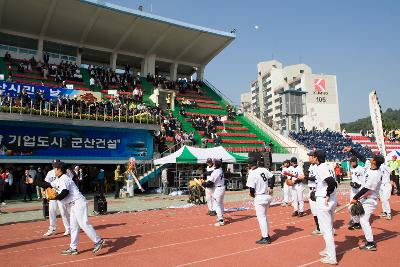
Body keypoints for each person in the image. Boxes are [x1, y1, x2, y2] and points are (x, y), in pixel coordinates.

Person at [36, 161, 105, 255]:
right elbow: (47, 185)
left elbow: (65, 192)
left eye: (55, 168)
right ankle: (73, 248)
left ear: (59, 170)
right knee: (73, 227)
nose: (54, 169)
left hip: (78, 203)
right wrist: (33, 182)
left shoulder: (64, 178)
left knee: (83, 224)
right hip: (73, 205)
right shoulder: (58, 179)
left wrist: (55, 197)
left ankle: (98, 241)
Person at [343, 146, 384, 251]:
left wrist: (355, 198)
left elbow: (366, 188)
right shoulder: (371, 165)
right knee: (351, 209)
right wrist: (351, 150)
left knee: (364, 220)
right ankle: (357, 223)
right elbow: (361, 158)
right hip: (364, 198)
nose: (370, 158)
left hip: (370, 200)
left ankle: (371, 243)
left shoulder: (376, 174)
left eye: (373, 158)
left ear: (375, 162)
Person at [310, 149, 338, 265]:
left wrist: (326, 194)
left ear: (316, 158)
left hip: (324, 200)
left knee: (326, 230)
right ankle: (328, 250)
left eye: (312, 156)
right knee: (329, 228)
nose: (310, 157)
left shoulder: (321, 167)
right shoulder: (327, 166)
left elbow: (332, 182)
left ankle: (332, 258)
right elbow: (331, 182)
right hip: (331, 199)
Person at [246, 158, 274, 244]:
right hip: (267, 195)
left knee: (261, 218)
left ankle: (265, 237)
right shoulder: (263, 169)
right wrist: (271, 187)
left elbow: (251, 188)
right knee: (265, 217)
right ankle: (266, 235)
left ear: (249, 165)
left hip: (260, 197)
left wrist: (253, 195)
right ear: (256, 162)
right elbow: (272, 177)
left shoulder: (252, 173)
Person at [43, 160, 70, 237]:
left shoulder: (65, 172)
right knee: (51, 212)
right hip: (53, 195)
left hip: (62, 194)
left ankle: (68, 228)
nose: (54, 166)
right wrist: (45, 192)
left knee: (63, 212)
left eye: (56, 164)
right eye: (53, 164)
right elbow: (46, 183)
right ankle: (52, 229)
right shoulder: (50, 173)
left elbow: (70, 180)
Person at [203, 159, 225, 226]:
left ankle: (221, 220)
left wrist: (203, 184)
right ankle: (220, 217)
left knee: (217, 205)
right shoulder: (221, 169)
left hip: (218, 189)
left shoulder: (216, 171)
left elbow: (210, 183)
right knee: (220, 203)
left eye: (214, 163)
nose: (213, 164)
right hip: (222, 187)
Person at [306, 151, 322, 236]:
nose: (308, 158)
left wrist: (304, 177)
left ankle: (320, 228)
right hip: (311, 189)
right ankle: (319, 227)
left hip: (315, 190)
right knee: (314, 211)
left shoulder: (316, 166)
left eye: (310, 156)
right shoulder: (311, 166)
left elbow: (315, 178)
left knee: (318, 210)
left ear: (314, 157)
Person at [347, 157, 365, 230]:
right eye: (350, 162)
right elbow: (354, 179)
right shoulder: (352, 169)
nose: (350, 163)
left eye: (351, 162)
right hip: (353, 190)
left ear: (355, 162)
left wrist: (360, 185)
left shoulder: (361, 168)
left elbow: (364, 179)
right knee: (351, 207)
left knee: (360, 206)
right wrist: (352, 183)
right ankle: (356, 222)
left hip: (360, 190)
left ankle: (359, 222)